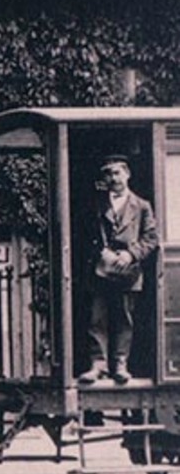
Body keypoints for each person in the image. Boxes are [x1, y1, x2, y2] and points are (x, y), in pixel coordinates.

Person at [78, 154, 159, 386]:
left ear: (127, 174)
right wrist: (100, 252)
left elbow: (151, 238)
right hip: (101, 270)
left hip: (128, 272)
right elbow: (86, 234)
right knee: (97, 318)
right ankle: (98, 364)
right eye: (109, 173)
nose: (113, 178)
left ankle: (120, 364)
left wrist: (130, 254)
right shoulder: (97, 204)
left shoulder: (142, 206)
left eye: (117, 173)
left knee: (124, 319)